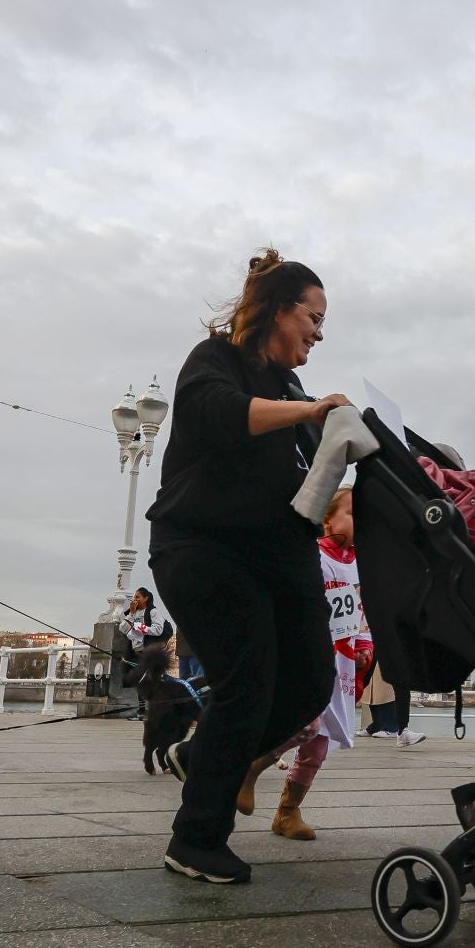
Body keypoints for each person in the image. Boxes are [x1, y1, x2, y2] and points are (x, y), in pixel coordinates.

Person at [145, 248, 350, 884]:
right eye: (314, 317)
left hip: (275, 550)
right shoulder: (217, 360)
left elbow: (321, 474)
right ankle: (196, 838)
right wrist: (311, 412)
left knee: (312, 680)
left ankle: (203, 752)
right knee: (248, 678)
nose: (319, 333)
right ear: (281, 310)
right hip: (203, 546)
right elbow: (218, 414)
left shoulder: (293, 390)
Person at [231, 487, 373, 839]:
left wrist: (364, 647)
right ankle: (252, 767)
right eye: (353, 514)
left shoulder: (362, 565)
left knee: (318, 746)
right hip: (311, 656)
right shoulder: (315, 558)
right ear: (327, 518)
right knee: (305, 725)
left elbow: (363, 613)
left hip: (341, 662)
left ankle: (287, 813)